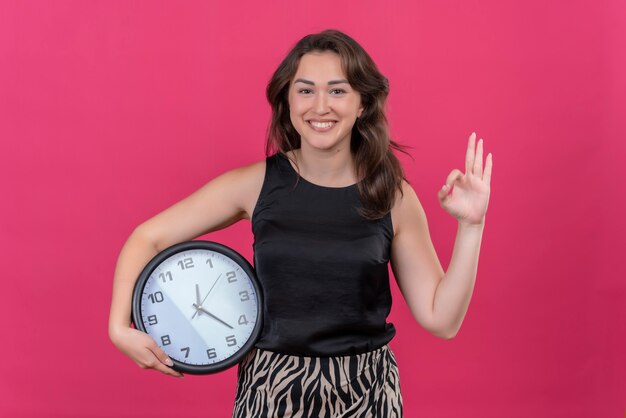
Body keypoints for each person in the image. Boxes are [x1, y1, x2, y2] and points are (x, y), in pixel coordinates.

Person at [108, 29, 492, 417]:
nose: (320, 106)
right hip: (271, 391)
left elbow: (441, 320)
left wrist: (470, 226)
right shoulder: (255, 183)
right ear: (288, 100)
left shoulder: (393, 196)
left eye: (338, 91)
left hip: (367, 393)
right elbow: (149, 238)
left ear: (362, 104)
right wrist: (118, 327)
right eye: (306, 90)